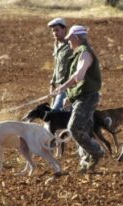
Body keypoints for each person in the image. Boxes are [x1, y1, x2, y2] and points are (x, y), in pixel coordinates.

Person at [51, 25, 104, 174]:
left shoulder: (85, 54)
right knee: (84, 130)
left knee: (74, 128)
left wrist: (61, 88)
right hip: (80, 97)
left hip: (87, 97)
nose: (67, 41)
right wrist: (69, 96)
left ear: (76, 38)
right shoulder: (78, 53)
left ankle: (96, 152)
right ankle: (87, 164)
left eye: (69, 38)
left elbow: (79, 76)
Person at [47, 17, 72, 110]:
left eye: (57, 30)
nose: (55, 33)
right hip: (58, 86)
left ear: (64, 29)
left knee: (55, 113)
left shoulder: (71, 45)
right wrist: (52, 83)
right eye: (53, 31)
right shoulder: (56, 44)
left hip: (68, 86)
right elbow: (57, 65)